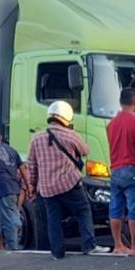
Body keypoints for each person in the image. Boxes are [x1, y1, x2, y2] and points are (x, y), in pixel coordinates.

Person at [24, 101, 111, 259]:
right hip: (69, 183)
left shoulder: (36, 138)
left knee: (53, 219)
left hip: (47, 188)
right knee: (83, 211)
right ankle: (89, 245)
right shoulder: (69, 135)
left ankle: (57, 252)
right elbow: (85, 150)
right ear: (66, 116)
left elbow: (31, 166)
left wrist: (33, 187)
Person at [106, 88, 135, 256]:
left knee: (115, 209)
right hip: (132, 169)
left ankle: (118, 245)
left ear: (120, 102)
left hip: (115, 169)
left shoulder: (111, 124)